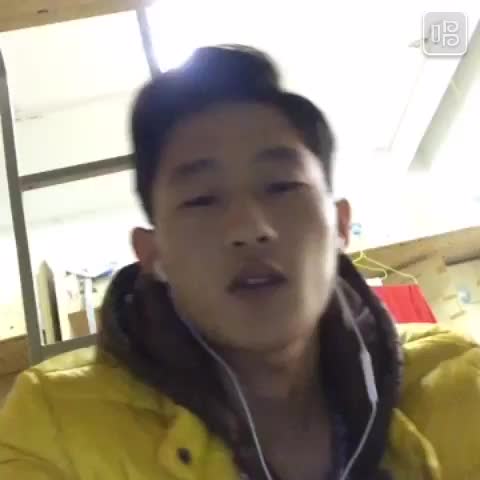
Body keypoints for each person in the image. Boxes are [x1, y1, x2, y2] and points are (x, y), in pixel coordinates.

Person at [0, 45, 479, 480]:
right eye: (202, 199)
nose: (249, 228)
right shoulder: (54, 426)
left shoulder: (460, 385)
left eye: (281, 186)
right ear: (152, 254)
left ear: (339, 225)